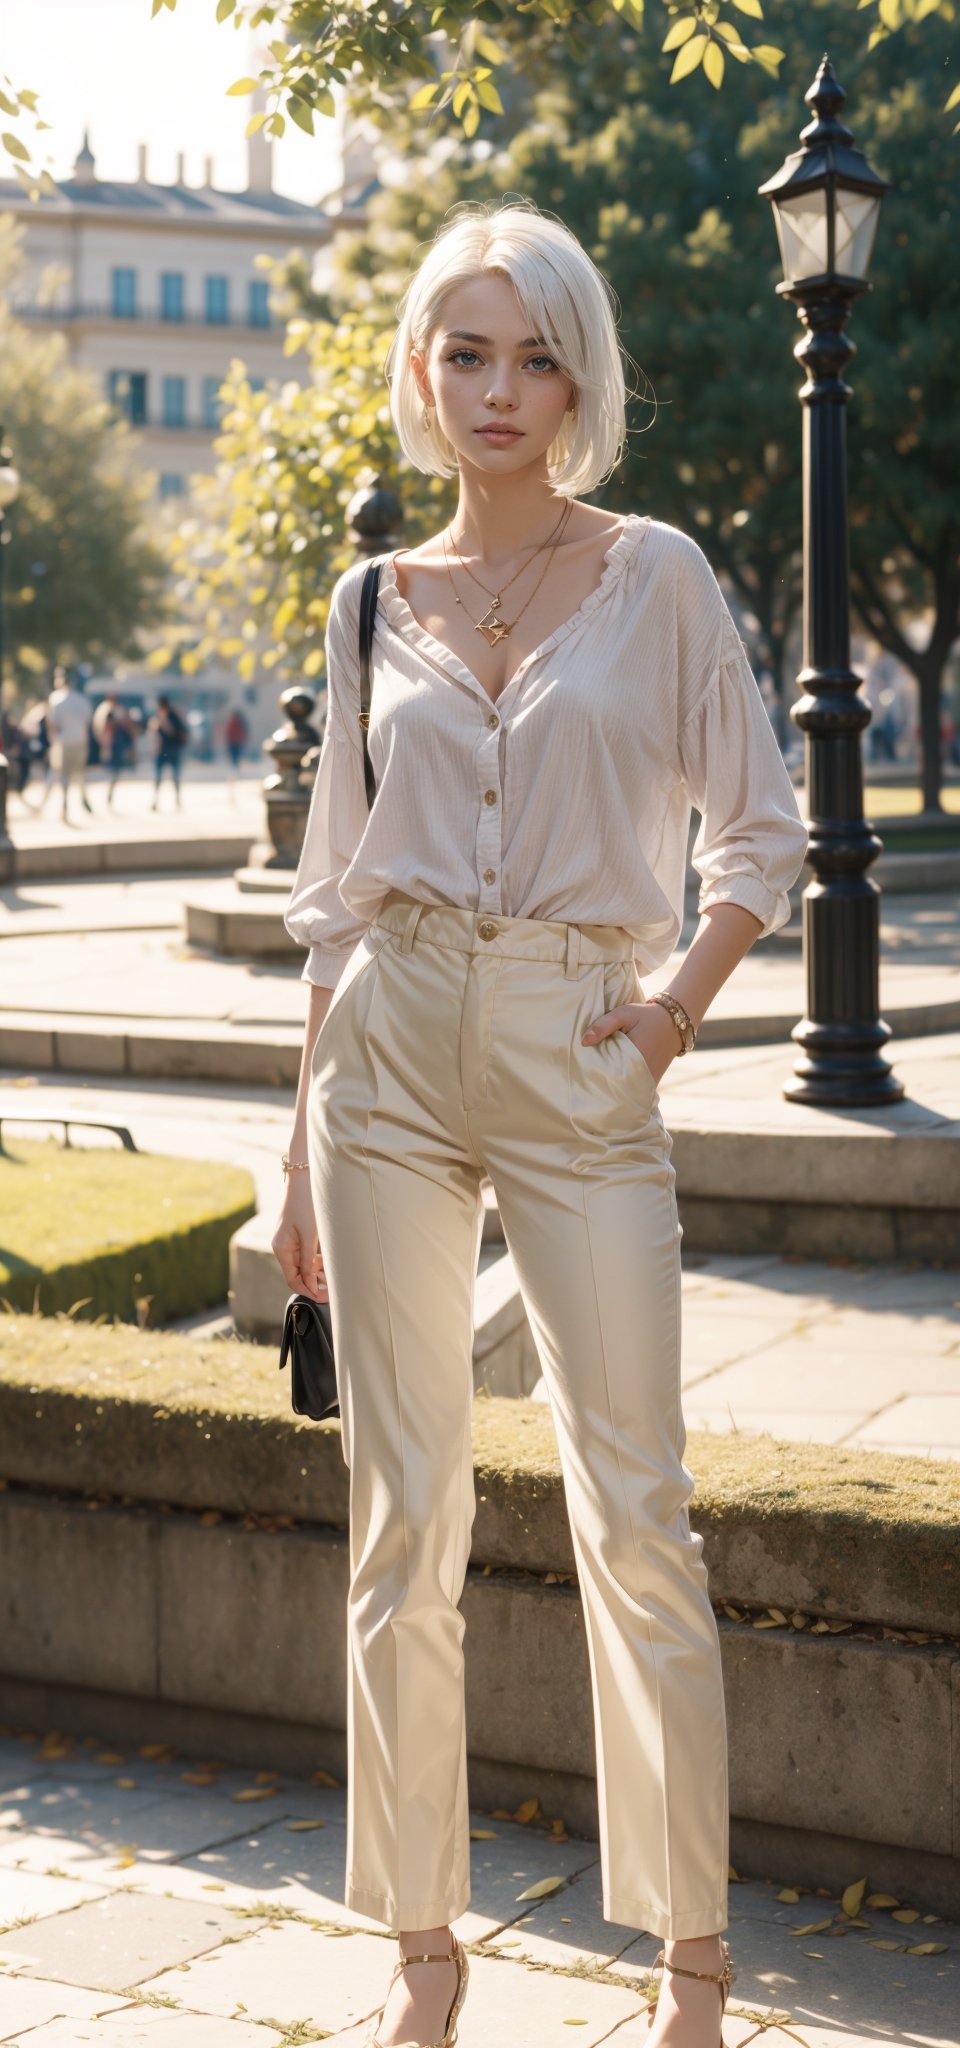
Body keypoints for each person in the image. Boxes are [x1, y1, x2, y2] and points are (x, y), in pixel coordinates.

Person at [275, 202, 809, 2048]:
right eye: (469, 351)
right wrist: (297, 1166)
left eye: (539, 353)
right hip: (392, 1048)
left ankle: (692, 1966)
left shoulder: (656, 574)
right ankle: (424, 1958)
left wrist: (668, 1016)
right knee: (400, 1516)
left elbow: (762, 834)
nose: (502, 388)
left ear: (582, 377)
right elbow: (336, 900)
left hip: (588, 1046)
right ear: (424, 371)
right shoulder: (366, 603)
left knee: (637, 1511)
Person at [43, 666, 93, 821]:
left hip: (63, 741)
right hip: (80, 740)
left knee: (62, 773)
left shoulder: (55, 699)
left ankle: (63, 804)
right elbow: (87, 721)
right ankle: (83, 799)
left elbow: (52, 723)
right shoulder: (82, 700)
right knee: (79, 772)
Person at [91, 691, 136, 808]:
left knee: (112, 771)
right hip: (112, 744)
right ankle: (108, 795)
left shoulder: (104, 710)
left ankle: (108, 795)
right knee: (112, 772)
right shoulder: (111, 711)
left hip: (108, 744)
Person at [149, 694, 188, 809]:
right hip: (162, 751)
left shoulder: (172, 716)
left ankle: (176, 800)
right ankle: (156, 801)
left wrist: (164, 724)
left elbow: (177, 732)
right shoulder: (158, 717)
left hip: (172, 750)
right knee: (159, 777)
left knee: (174, 777)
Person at [224, 705, 250, 773]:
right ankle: (235, 766)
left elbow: (243, 731)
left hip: (235, 741)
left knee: (235, 755)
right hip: (234, 741)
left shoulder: (237, 722)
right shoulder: (235, 722)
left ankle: (235, 766)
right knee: (235, 755)